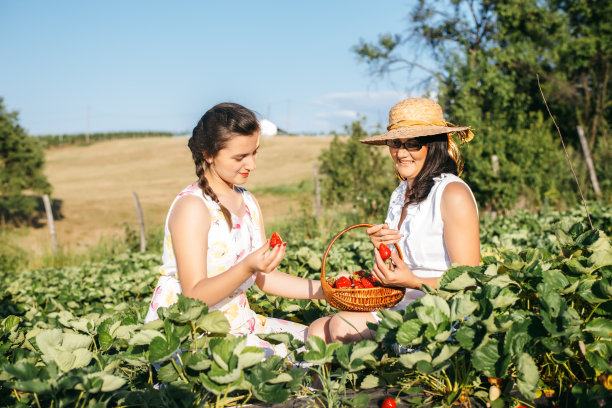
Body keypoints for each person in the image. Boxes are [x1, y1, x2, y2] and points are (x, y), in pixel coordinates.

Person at [145, 102, 324, 357]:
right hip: (195, 334)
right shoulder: (192, 207)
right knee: (295, 359)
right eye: (240, 157)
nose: (251, 164)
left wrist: (327, 290)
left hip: (239, 321)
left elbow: (267, 279)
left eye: (254, 153)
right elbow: (195, 297)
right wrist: (247, 266)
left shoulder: (248, 201)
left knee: (321, 341)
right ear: (208, 153)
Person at [307, 98, 480, 343]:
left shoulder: (452, 193)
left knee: (340, 325)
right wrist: (382, 248)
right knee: (317, 329)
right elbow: (402, 265)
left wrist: (413, 281)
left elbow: (470, 278)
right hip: (400, 306)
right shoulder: (401, 193)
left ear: (435, 145)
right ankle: (320, 382)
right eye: (394, 143)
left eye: (413, 144)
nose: (400, 153)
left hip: (442, 313)